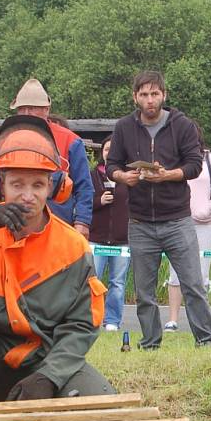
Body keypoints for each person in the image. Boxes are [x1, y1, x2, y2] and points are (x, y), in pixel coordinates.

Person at [0, 115, 114, 404]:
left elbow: (80, 326)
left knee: (98, 399)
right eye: (17, 184)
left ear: (54, 188)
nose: (27, 196)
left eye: (38, 185)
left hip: (41, 362)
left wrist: (49, 376)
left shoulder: (73, 247)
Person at [106, 70, 211, 349]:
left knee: (193, 284)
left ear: (164, 96)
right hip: (140, 221)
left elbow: (194, 164)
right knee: (144, 291)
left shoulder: (182, 126)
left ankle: (206, 339)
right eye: (144, 94)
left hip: (178, 219)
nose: (150, 100)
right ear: (135, 97)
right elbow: (112, 165)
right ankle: (150, 343)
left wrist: (168, 175)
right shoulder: (123, 128)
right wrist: (123, 177)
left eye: (154, 94)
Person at [10, 78, 93, 239]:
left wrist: (82, 222)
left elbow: (84, 187)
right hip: (15, 227)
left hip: (58, 229)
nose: (26, 113)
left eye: (32, 108)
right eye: (22, 109)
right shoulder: (7, 140)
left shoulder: (70, 141)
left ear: (46, 109)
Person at [165, 126, 211, 331]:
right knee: (175, 271)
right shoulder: (173, 159)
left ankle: (202, 319)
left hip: (203, 224)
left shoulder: (210, 160)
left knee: (201, 272)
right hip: (177, 221)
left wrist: (207, 209)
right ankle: (173, 319)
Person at [89, 136, 131, 331]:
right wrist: (99, 201)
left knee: (117, 282)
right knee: (93, 281)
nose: (110, 153)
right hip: (96, 238)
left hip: (122, 240)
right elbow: (80, 203)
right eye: (107, 150)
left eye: (114, 150)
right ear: (102, 153)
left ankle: (112, 321)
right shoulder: (91, 175)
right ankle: (92, 319)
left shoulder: (129, 178)